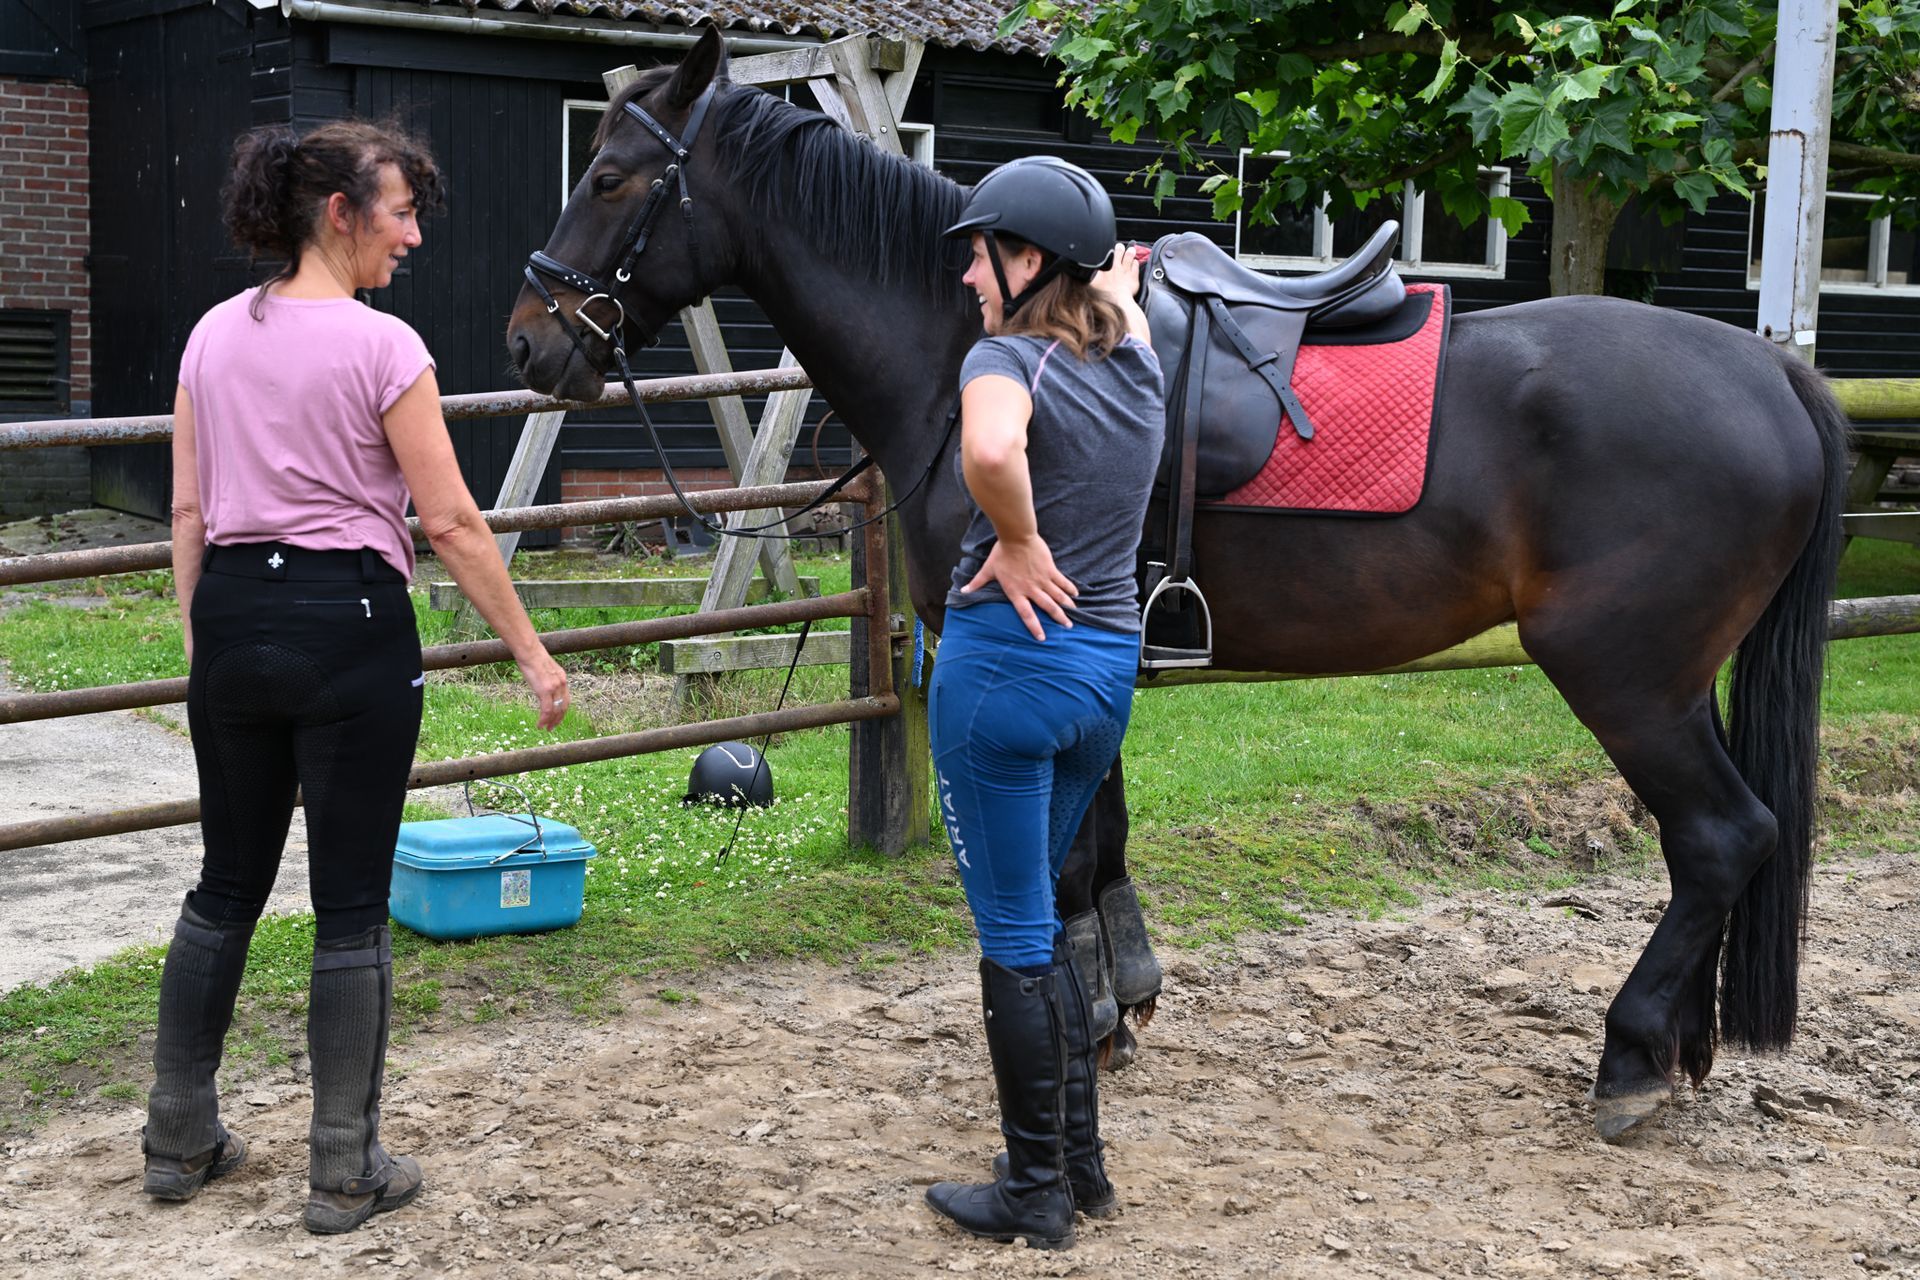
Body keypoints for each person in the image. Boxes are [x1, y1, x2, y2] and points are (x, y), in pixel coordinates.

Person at [144, 120, 569, 1235]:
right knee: (347, 904)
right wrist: (531, 648)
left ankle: (178, 1132)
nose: (414, 235)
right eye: (400, 212)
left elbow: (187, 511)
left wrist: (205, 640)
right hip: (350, 623)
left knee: (224, 883)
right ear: (339, 212)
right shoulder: (386, 348)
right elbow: (452, 520)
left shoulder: (207, 338)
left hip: (233, 612)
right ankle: (344, 1165)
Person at [924, 156, 1164, 1250]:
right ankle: (1082, 1165)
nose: (970, 273)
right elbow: (1125, 305)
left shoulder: (1004, 355)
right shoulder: (1140, 370)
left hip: (1006, 677)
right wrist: (1109, 281)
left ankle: (1033, 1193)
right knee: (1052, 922)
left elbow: (987, 446)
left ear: (1026, 261)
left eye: (982, 252)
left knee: (1017, 933)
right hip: (1103, 674)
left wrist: (1017, 537)